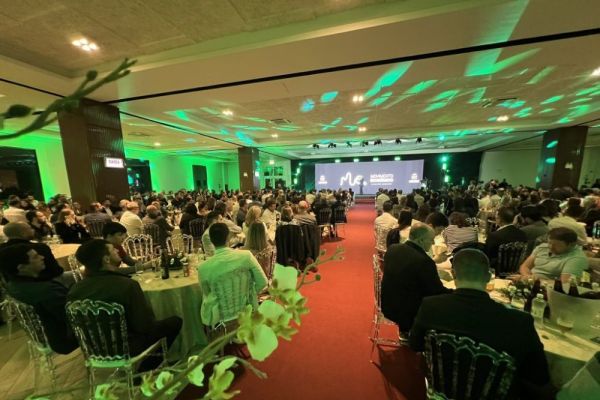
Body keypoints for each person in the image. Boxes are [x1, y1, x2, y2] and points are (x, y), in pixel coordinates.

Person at [410, 249, 552, 399]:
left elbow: (415, 344)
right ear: (489, 277)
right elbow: (539, 376)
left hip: (441, 392)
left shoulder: (431, 306)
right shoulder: (520, 322)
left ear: (453, 274)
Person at [68, 239, 182, 370]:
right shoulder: (127, 285)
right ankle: (145, 370)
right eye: (113, 249)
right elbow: (144, 326)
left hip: (93, 349)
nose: (117, 250)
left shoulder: (74, 290)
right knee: (174, 322)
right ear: (106, 259)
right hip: (127, 348)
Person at [1, 243, 78, 354]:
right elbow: (75, 316)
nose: (42, 257)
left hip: (42, 334)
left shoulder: (12, 285)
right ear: (21, 268)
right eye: (36, 257)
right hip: (64, 337)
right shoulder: (47, 290)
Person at [381, 224, 451, 334]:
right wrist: (456, 292)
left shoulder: (393, 249)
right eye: (431, 240)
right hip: (409, 312)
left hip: (387, 304)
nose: (433, 243)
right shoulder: (424, 261)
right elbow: (437, 292)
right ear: (421, 240)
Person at [198, 223, 268, 326]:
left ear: (211, 241)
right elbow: (263, 282)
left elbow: (207, 294)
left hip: (220, 320)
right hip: (246, 311)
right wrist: (248, 293)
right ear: (229, 238)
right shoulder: (246, 256)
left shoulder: (203, 268)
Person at [519, 227, 588, 283]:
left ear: (571, 245)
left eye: (556, 245)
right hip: (529, 281)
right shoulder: (543, 247)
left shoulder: (577, 258)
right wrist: (527, 276)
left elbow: (565, 284)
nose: (551, 247)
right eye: (549, 243)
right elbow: (525, 266)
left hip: (547, 290)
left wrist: (532, 280)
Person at [0, 222, 64, 282]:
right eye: (30, 228)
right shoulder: (39, 247)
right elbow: (56, 271)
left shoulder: (2, 249)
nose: (33, 230)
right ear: (23, 233)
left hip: (14, 285)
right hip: (45, 282)